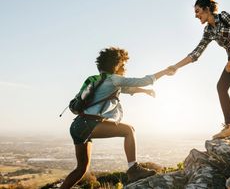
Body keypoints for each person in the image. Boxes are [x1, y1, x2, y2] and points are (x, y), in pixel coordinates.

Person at [61, 47, 174, 188]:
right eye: (123, 64)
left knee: (81, 169)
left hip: (77, 126)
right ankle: (133, 169)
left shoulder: (100, 80)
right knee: (129, 130)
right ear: (116, 65)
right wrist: (165, 71)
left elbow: (128, 89)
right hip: (88, 124)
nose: (125, 68)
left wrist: (145, 91)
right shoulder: (114, 79)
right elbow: (143, 80)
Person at [169, 0, 230, 145]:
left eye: (197, 11)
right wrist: (176, 67)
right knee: (221, 86)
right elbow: (196, 53)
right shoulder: (208, 31)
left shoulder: (224, 17)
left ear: (206, 9)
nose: (196, 15)